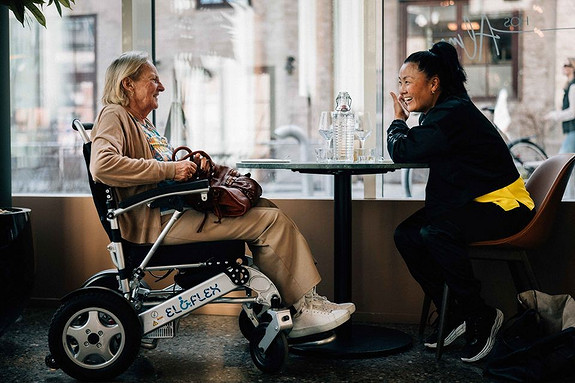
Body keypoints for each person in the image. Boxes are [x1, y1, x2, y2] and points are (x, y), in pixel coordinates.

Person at [90, 51, 354, 339]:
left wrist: (190, 168)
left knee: (266, 208)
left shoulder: (141, 122)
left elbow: (158, 167)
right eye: (153, 79)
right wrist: (169, 170)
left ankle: (305, 299)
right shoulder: (114, 114)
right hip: (155, 222)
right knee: (269, 222)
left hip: (171, 214)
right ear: (128, 84)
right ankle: (303, 307)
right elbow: (102, 165)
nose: (161, 87)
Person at [387, 41, 535, 363]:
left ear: (434, 83)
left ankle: (480, 315)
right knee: (408, 234)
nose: (402, 90)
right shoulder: (443, 112)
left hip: (506, 206)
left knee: (435, 232)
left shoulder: (450, 115)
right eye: (400, 83)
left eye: (408, 82)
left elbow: (403, 151)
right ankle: (454, 312)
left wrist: (398, 121)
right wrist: (408, 125)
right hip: (474, 202)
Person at [545, 57, 575, 154]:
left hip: (573, 129)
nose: (563, 67)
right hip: (571, 130)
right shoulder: (569, 86)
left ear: (573, 68)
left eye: (566, 65)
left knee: (562, 160)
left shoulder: (573, 87)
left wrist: (554, 115)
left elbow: (573, 112)